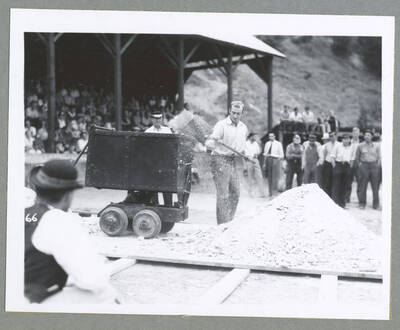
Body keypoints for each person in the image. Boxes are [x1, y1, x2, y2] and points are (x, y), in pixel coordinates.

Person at [25, 159, 120, 304]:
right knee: (104, 293)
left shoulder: (20, 211)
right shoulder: (56, 220)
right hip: (30, 302)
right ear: (67, 195)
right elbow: (92, 279)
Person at [205, 100, 248, 224]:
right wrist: (210, 142)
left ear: (242, 113)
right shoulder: (221, 125)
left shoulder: (243, 128)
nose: (235, 116)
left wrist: (244, 153)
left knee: (235, 193)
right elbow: (210, 144)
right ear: (229, 111)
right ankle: (222, 224)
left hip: (232, 160)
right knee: (223, 195)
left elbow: (241, 147)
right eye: (233, 112)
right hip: (219, 159)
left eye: (238, 113)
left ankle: (229, 220)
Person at [355, 130, 381, 209]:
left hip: (374, 166)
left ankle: (376, 204)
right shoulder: (360, 146)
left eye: (368, 135)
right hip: (364, 166)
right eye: (365, 135)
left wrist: (377, 165)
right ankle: (362, 203)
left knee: (375, 186)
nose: (366, 137)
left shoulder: (376, 146)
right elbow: (357, 157)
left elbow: (379, 157)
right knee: (362, 186)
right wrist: (360, 165)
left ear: (372, 137)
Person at [331, 134, 354, 208]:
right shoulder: (337, 146)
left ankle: (342, 204)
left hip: (346, 166)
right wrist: (335, 166)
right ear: (342, 140)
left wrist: (350, 167)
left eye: (347, 139)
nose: (346, 140)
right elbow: (332, 157)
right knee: (336, 185)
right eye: (344, 139)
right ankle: (334, 203)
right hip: (338, 165)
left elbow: (352, 159)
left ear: (349, 140)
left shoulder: (351, 147)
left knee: (345, 186)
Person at [263, 132, 284, 197]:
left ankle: (275, 192)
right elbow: (265, 154)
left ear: (274, 136)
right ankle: (270, 192)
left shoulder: (278, 144)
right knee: (269, 176)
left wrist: (278, 160)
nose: (271, 137)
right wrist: (264, 163)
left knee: (275, 176)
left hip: (275, 159)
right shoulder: (267, 144)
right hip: (268, 160)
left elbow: (282, 155)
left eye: (272, 136)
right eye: (269, 136)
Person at [244, 133, 265, 198]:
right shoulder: (245, 143)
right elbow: (244, 153)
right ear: (250, 137)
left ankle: (261, 193)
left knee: (259, 176)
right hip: (249, 160)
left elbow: (258, 151)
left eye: (255, 136)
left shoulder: (255, 143)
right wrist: (247, 157)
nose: (255, 138)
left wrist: (257, 154)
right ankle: (250, 193)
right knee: (250, 177)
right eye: (253, 136)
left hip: (255, 160)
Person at [320, 131, 338, 197]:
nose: (332, 137)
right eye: (330, 136)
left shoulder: (339, 144)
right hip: (328, 164)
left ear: (336, 136)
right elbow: (324, 155)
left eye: (333, 136)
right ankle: (327, 196)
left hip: (336, 164)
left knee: (335, 181)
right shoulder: (327, 145)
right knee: (327, 181)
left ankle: (335, 197)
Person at [346, 127, 361, 203]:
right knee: (348, 181)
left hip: (358, 163)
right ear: (352, 133)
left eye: (357, 132)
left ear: (359, 133)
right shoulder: (348, 142)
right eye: (354, 132)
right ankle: (347, 198)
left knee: (360, 181)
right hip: (349, 162)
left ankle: (360, 199)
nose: (355, 134)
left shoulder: (361, 143)